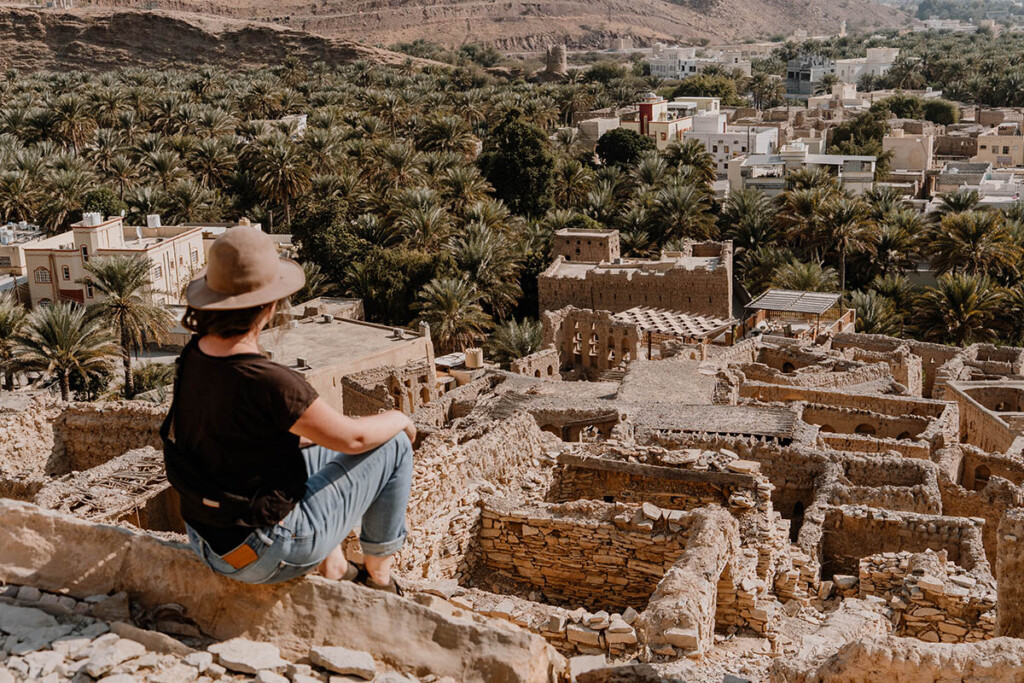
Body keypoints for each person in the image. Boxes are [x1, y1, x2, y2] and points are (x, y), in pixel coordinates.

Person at [162, 226, 414, 593]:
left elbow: (244, 440)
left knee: (313, 451)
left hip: (206, 541)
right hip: (265, 552)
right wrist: (400, 419)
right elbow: (354, 439)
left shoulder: (194, 356)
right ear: (269, 305)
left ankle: (337, 566)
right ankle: (379, 575)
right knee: (393, 446)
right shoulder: (270, 381)